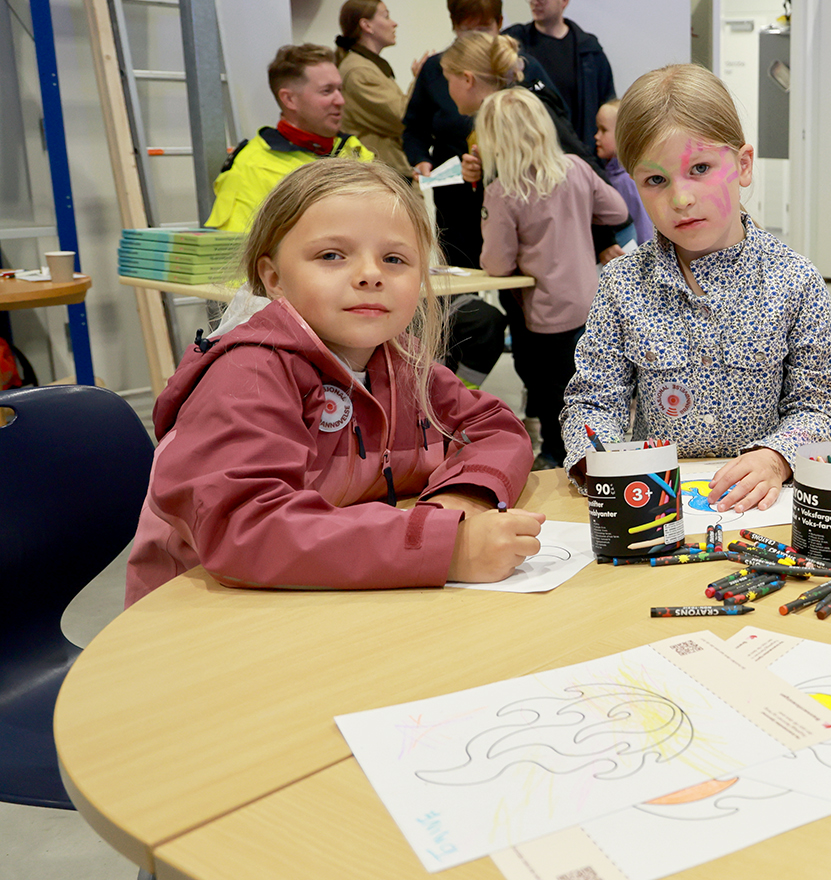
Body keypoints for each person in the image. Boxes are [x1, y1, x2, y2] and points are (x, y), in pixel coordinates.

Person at [125, 159, 540, 605]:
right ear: (273, 278)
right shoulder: (247, 375)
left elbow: (494, 428)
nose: (370, 274)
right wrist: (446, 546)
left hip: (330, 599)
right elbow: (248, 527)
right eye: (331, 256)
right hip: (204, 624)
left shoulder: (404, 367)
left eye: (395, 259)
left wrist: (462, 495)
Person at [561, 64, 831, 513]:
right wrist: (598, 459)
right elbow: (593, 402)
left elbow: (817, 410)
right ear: (635, 184)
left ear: (743, 165)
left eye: (700, 168)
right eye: (656, 180)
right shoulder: (620, 285)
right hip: (650, 508)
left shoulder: (796, 282)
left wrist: (775, 458)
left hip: (758, 510)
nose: (681, 198)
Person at [477, 88, 628, 470]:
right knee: (587, 394)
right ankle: (592, 459)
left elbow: (496, 263)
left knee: (551, 395)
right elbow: (617, 211)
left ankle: (557, 462)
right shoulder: (576, 167)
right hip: (590, 304)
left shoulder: (504, 191)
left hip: (545, 313)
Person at [400, 0, 570, 266]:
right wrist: (420, 160)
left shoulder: (520, 66)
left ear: (499, 24)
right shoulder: (437, 69)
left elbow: (555, 128)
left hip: (516, 189)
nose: (475, 38)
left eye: (483, 29)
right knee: (460, 270)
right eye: (467, 31)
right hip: (454, 194)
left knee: (515, 269)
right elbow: (414, 127)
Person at [206, 44, 374, 232]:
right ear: (289, 99)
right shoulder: (250, 168)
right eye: (327, 91)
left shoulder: (354, 150)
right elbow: (238, 253)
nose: (340, 101)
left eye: (339, 89)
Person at [504, 0, 618, 148]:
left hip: (580, 151)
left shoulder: (589, 51)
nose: (535, 2)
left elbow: (607, 104)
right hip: (530, 150)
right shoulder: (515, 45)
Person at [334, 0, 409, 177]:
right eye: (386, 16)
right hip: (377, 173)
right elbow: (402, 117)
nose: (394, 23)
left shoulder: (369, 66)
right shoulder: (359, 72)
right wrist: (421, 81)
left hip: (386, 169)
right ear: (366, 25)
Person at [595, 98, 653, 248]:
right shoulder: (609, 174)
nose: (596, 136)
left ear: (623, 134)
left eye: (603, 130)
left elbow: (644, 228)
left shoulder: (627, 180)